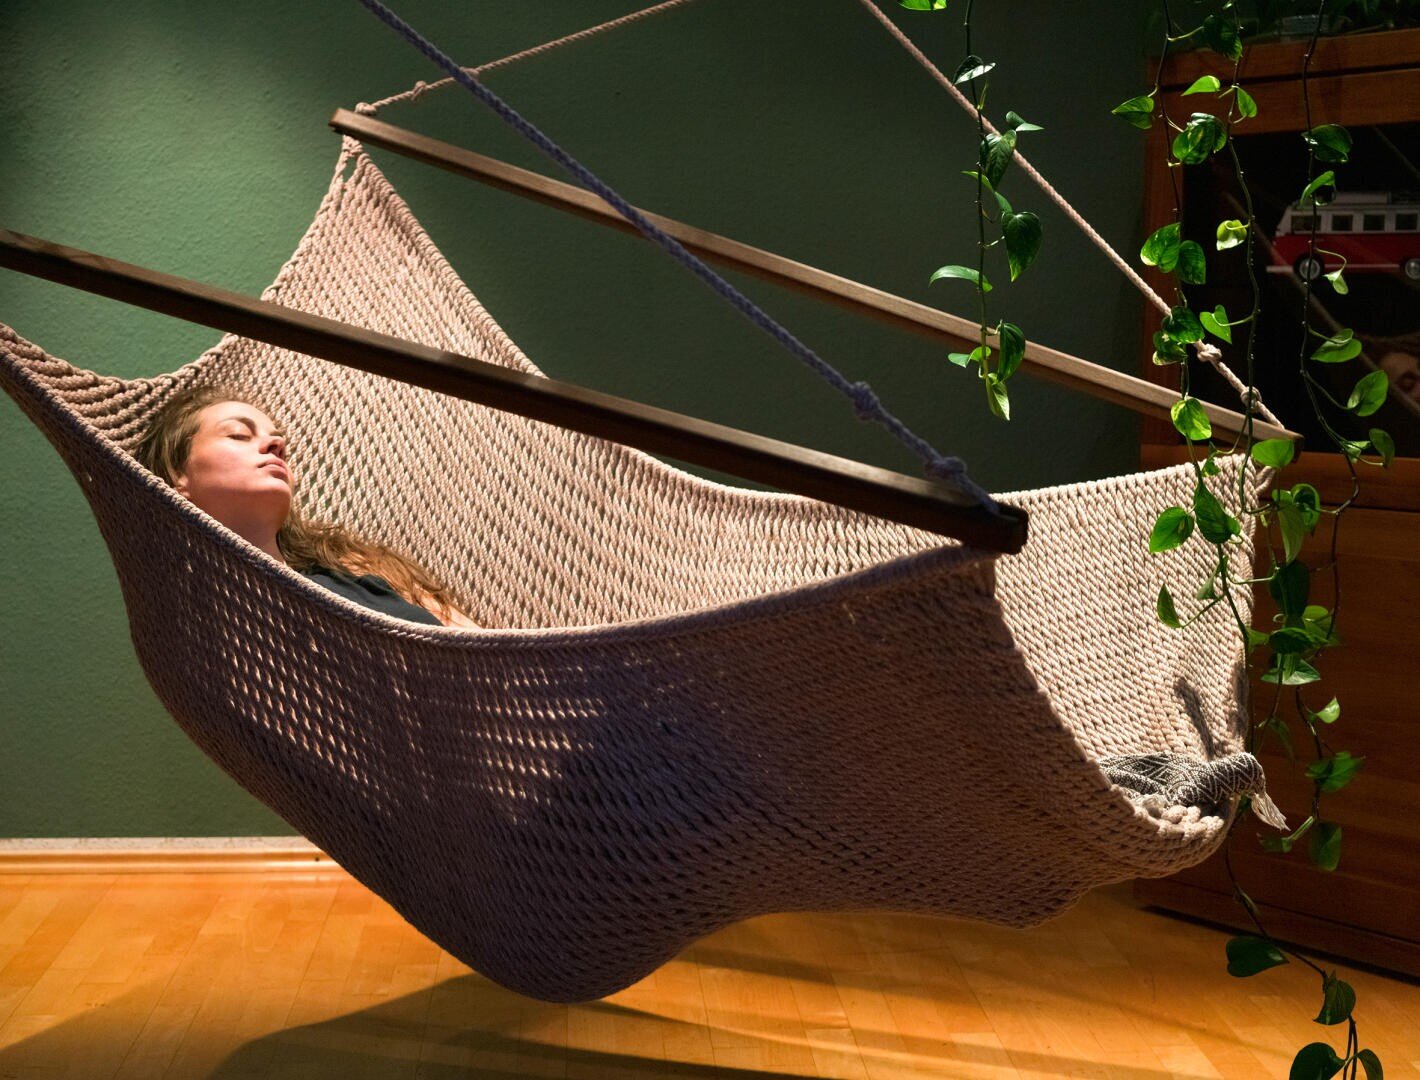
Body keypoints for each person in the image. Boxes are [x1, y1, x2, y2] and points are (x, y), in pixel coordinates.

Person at [136, 384, 480, 628]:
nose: (276, 444)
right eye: (239, 434)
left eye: (279, 440)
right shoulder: (205, 623)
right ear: (175, 474)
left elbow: (485, 647)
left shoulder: (355, 564)